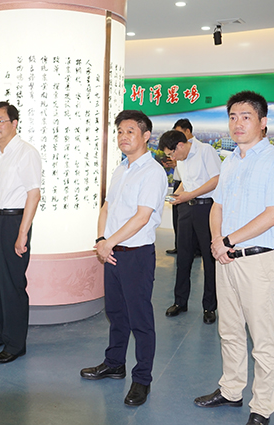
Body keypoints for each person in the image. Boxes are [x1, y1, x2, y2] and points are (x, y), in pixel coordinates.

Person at [194, 91, 274, 425]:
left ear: (263, 122)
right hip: (227, 258)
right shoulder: (231, 161)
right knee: (230, 330)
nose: (238, 123)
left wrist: (227, 241)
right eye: (233, 117)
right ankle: (231, 390)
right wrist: (217, 242)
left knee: (262, 339)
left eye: (246, 117)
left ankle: (262, 408)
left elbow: (273, 214)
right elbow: (217, 206)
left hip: (256, 261)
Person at [80, 110, 167, 407]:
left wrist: (109, 243)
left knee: (140, 319)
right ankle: (114, 363)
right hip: (112, 252)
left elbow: (142, 217)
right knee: (116, 314)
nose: (123, 136)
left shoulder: (152, 172)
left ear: (146, 136)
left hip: (136, 255)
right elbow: (107, 207)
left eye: (130, 131)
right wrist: (101, 240)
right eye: (119, 131)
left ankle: (142, 379)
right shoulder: (121, 169)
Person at [0, 101, 41, 364]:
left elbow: (34, 195)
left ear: (14, 123)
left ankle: (16, 344)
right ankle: (1, 334)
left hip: (14, 222)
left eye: (0, 120)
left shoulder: (26, 153)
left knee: (12, 284)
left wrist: (22, 233)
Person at [159, 126, 221, 324]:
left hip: (206, 209)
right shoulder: (181, 159)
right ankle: (180, 301)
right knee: (183, 257)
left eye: (172, 153)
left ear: (180, 145)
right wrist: (177, 195)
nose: (172, 158)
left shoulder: (205, 151)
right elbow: (186, 182)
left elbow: (216, 180)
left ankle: (209, 306)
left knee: (209, 259)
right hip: (186, 210)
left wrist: (190, 195)